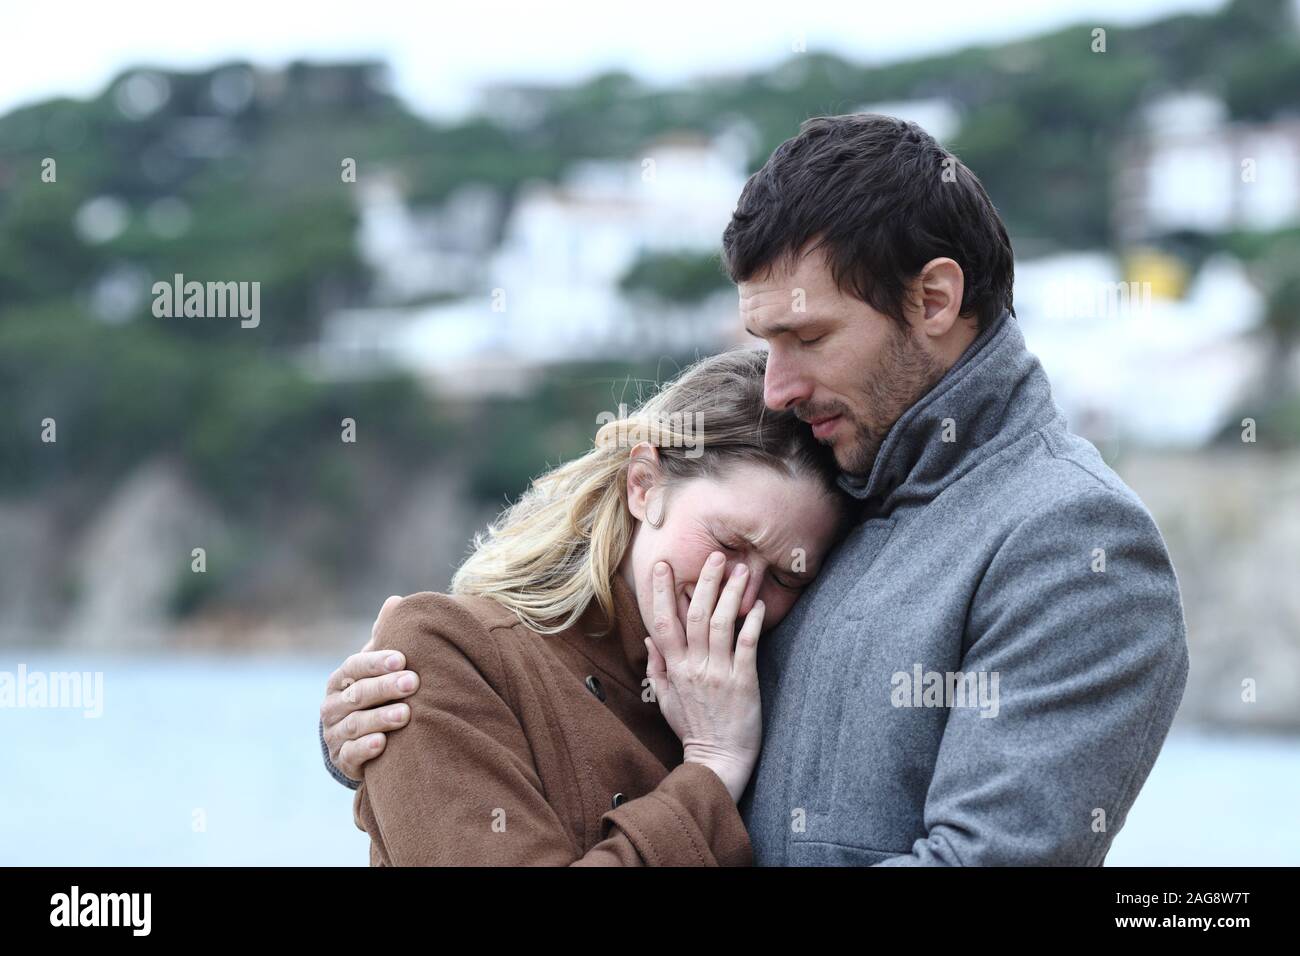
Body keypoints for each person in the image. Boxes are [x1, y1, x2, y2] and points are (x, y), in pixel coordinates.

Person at [321, 113, 1189, 866]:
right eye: (763, 341)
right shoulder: (856, 477)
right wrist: (405, 738)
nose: (776, 385)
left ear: (933, 298)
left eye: (807, 335)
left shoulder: (1071, 539)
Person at [330, 348, 854, 864]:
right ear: (644, 485)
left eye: (787, 575)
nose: (739, 594)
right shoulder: (452, 649)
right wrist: (712, 770)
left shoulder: (781, 679)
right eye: (728, 543)